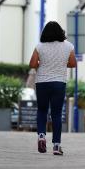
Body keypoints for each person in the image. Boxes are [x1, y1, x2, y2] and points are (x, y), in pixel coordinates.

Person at [29, 21, 76, 155]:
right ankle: (56, 145)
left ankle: (41, 136)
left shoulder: (40, 46)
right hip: (59, 83)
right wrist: (60, 64)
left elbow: (32, 64)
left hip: (42, 82)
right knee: (56, 113)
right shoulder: (68, 46)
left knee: (42, 110)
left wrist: (42, 64)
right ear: (61, 32)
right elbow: (73, 63)